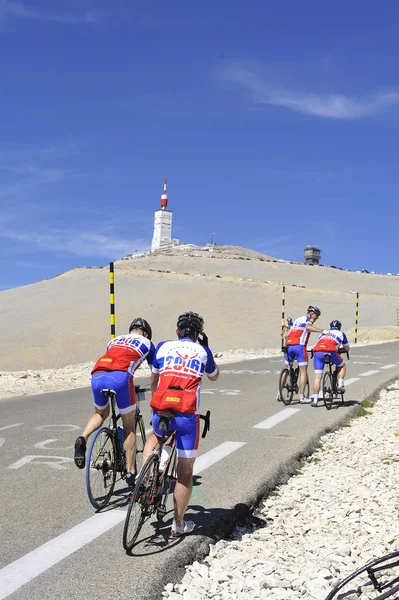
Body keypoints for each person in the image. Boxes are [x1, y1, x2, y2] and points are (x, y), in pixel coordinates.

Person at [141, 311, 219, 537]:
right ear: (198, 334)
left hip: (162, 408)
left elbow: (154, 378)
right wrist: (206, 347)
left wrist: (155, 402)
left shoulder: (164, 346)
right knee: (185, 472)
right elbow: (214, 376)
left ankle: (145, 479)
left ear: (177, 331)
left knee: (154, 438)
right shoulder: (203, 351)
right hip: (187, 414)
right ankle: (178, 523)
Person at [74, 317, 155, 487]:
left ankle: (82, 437)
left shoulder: (115, 340)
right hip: (121, 377)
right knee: (129, 426)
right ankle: (130, 471)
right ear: (146, 334)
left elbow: (114, 357)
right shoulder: (147, 343)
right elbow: (155, 371)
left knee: (100, 413)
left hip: (97, 374)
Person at [284, 305, 327, 403]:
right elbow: (308, 327)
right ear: (312, 313)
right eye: (317, 315)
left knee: (286, 368)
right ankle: (302, 397)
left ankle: (279, 393)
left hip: (290, 346)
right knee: (303, 372)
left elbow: (287, 335)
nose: (317, 318)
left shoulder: (297, 320)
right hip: (300, 347)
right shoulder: (308, 320)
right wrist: (321, 330)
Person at [311, 319, 350, 407]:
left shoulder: (323, 333)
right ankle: (340, 385)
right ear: (339, 327)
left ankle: (315, 400)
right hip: (331, 351)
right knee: (342, 365)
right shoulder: (341, 334)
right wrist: (340, 350)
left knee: (317, 377)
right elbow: (347, 348)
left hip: (317, 352)